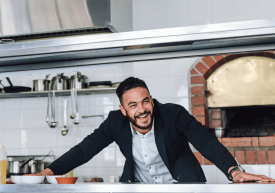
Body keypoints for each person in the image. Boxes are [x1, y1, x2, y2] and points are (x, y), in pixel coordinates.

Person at [33, 77, 275, 183]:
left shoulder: (173, 114)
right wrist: (47, 172)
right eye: (133, 105)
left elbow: (204, 140)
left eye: (146, 101)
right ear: (123, 109)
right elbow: (84, 150)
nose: (142, 110)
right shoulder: (114, 123)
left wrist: (234, 171)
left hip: (183, 188)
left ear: (152, 99)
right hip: (140, 188)